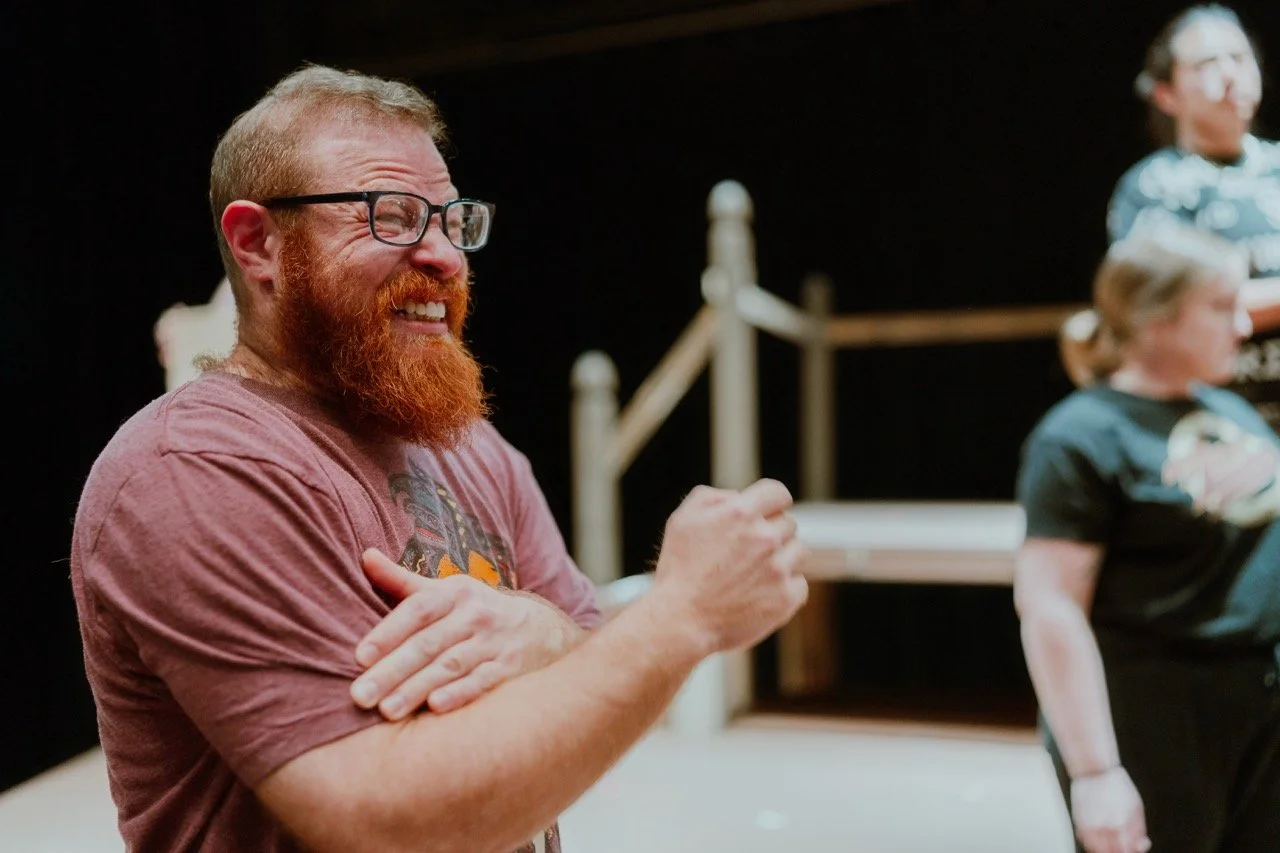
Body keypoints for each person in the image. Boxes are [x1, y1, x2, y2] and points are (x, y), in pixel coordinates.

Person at [69, 63, 810, 853]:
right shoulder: (191, 471)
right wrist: (683, 613)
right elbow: (381, 824)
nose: (445, 257)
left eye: (454, 222)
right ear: (259, 243)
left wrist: (544, 633)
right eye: (392, 217)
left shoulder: (470, 445)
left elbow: (601, 680)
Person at [1014, 227, 1280, 853]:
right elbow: (1050, 608)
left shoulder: (1230, 411)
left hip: (1259, 709)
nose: (1243, 326)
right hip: (1155, 718)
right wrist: (1097, 773)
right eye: (1221, 308)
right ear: (1154, 319)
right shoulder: (1079, 437)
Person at [1107, 3, 1280, 431]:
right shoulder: (1152, 187)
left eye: (1239, 58)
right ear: (1166, 94)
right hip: (1212, 421)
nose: (1228, 74)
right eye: (1206, 63)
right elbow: (1164, 305)